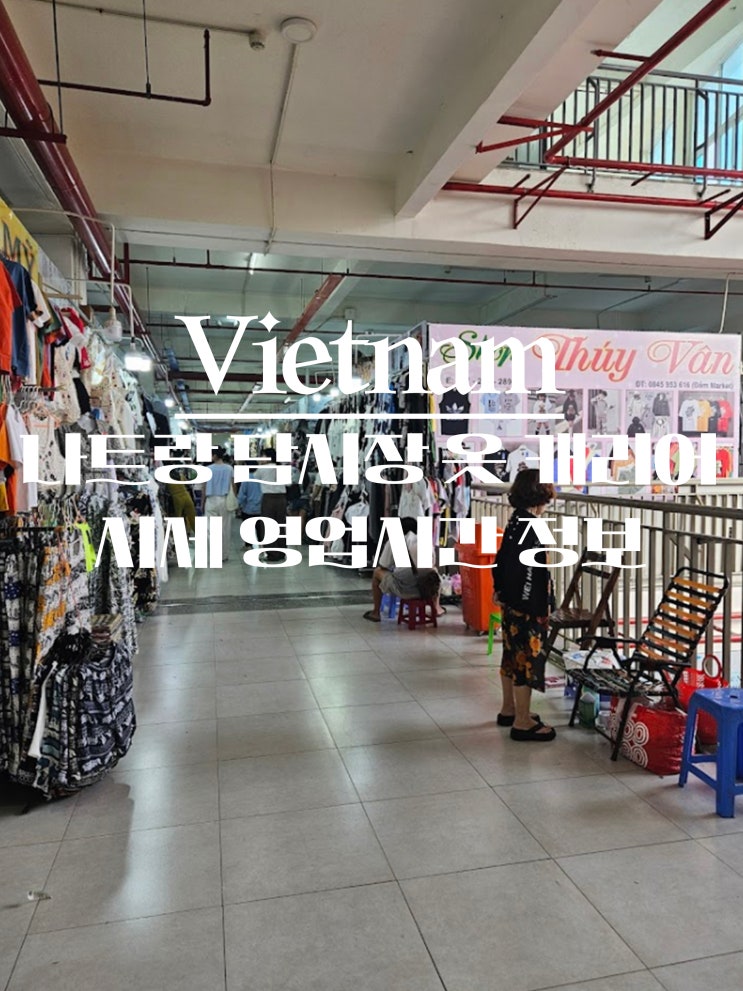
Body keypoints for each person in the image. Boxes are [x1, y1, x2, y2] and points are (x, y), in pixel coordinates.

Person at [492, 469, 556, 742]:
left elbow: (502, 559)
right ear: (540, 497)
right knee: (526, 661)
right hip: (527, 605)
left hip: (510, 600)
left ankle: (509, 709)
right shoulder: (533, 527)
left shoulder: (516, 520)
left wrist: (500, 590)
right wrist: (539, 607)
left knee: (510, 655)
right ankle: (522, 721)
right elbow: (533, 572)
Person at [363, 517, 442, 622]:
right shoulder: (425, 542)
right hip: (425, 589)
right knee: (434, 571)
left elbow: (383, 565)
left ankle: (376, 613)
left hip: (403, 589)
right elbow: (432, 564)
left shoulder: (394, 542)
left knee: (377, 572)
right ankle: (436, 608)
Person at [253, 447, 287, 560]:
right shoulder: (281, 468)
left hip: (269, 499)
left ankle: (273, 553)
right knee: (280, 524)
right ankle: (282, 551)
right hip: (282, 498)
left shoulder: (262, 469)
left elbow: (255, 477)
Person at [202, 446, 234, 562]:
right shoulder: (229, 468)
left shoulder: (207, 469)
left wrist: (202, 502)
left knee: (211, 529)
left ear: (215, 455)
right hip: (224, 500)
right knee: (225, 528)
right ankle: (224, 555)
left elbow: (204, 487)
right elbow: (233, 485)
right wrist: (234, 499)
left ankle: (215, 554)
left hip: (211, 500)